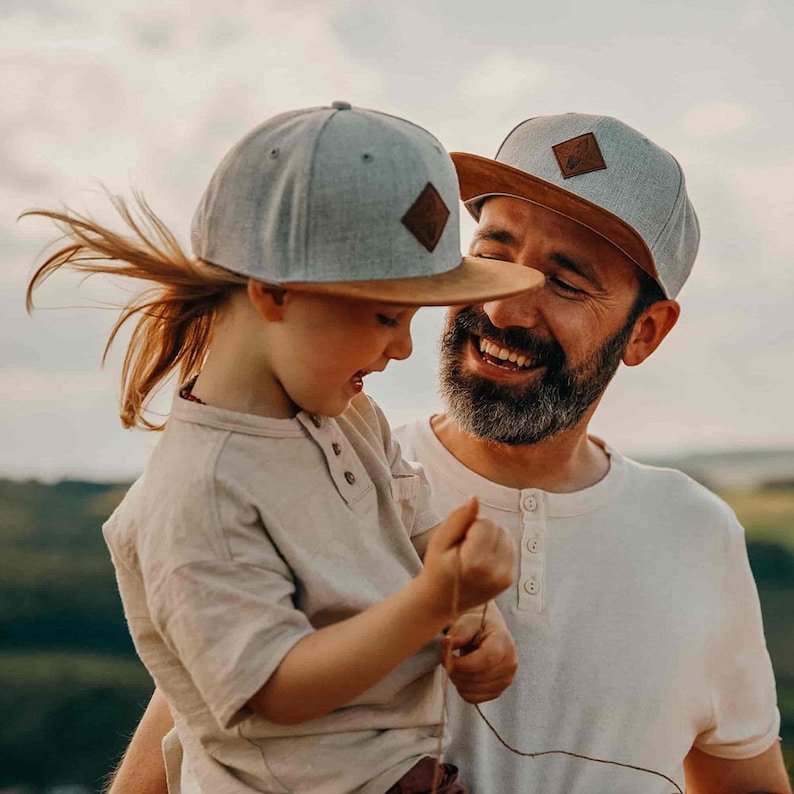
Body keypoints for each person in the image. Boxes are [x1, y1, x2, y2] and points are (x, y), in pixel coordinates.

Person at [100, 113, 793, 794]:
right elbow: (195, 744)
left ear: (645, 332)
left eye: (566, 280)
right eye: (493, 250)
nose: (502, 310)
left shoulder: (698, 534)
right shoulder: (310, 470)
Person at [24, 103, 541, 794]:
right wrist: (432, 601)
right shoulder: (199, 490)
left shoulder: (351, 416)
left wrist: (475, 615)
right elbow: (280, 689)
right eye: (387, 315)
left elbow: (418, 534)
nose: (402, 348)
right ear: (272, 293)